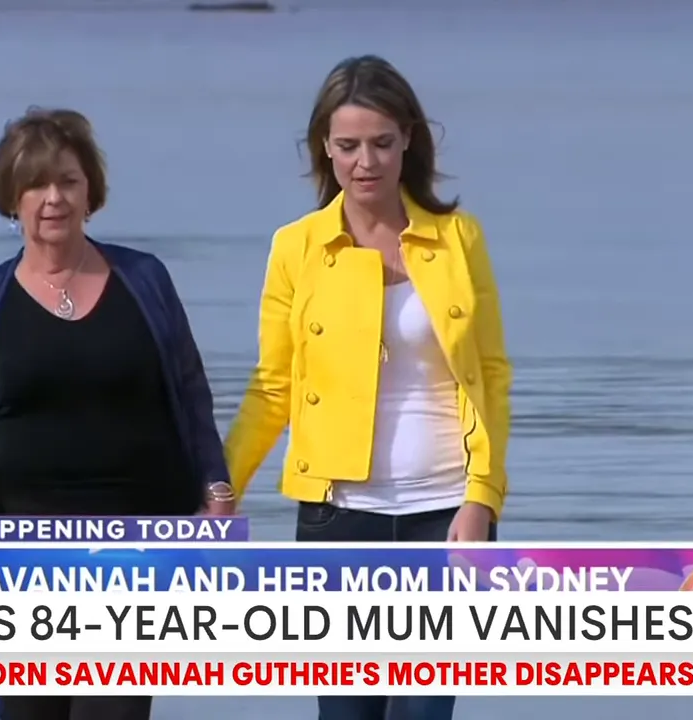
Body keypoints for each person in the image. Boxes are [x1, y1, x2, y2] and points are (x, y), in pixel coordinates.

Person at [217, 55, 513, 720]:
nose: (366, 162)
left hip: (445, 512)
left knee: (423, 713)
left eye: (381, 142)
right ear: (325, 147)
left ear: (409, 138)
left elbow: (492, 376)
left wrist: (482, 499)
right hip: (339, 514)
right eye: (348, 145)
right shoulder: (296, 247)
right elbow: (272, 387)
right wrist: (222, 488)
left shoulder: (459, 238)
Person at [0, 107, 234, 720]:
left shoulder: (145, 279)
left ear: (90, 191)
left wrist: (216, 491)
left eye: (68, 181)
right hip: (19, 554)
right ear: (11, 199)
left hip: (137, 547)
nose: (54, 198)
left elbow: (191, 394)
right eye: (36, 184)